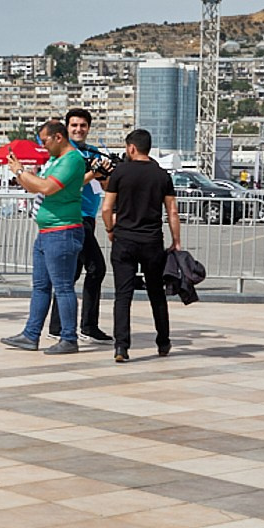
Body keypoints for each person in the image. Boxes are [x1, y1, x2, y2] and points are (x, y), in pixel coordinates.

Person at [0, 119, 86, 355]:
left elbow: (47, 187)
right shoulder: (55, 160)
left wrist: (20, 171)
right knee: (40, 286)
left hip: (62, 230)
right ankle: (31, 334)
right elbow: (33, 186)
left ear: (58, 137)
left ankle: (69, 337)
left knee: (63, 287)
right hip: (48, 232)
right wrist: (20, 172)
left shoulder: (72, 160)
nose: (43, 146)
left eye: (45, 141)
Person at [102, 129, 181, 362]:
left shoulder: (120, 173)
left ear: (131, 148)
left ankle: (121, 347)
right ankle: (163, 342)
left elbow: (107, 208)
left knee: (123, 295)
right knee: (156, 293)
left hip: (124, 240)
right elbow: (172, 211)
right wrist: (176, 241)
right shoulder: (162, 175)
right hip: (152, 241)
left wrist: (110, 229)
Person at [47, 109, 113, 343]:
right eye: (74, 125)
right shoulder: (63, 154)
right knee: (97, 268)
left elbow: (105, 185)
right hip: (72, 218)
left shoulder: (93, 152)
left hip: (88, 217)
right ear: (66, 127)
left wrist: (105, 172)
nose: (78, 129)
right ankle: (87, 326)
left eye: (83, 125)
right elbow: (67, 184)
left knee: (71, 273)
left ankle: (58, 326)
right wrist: (92, 172)